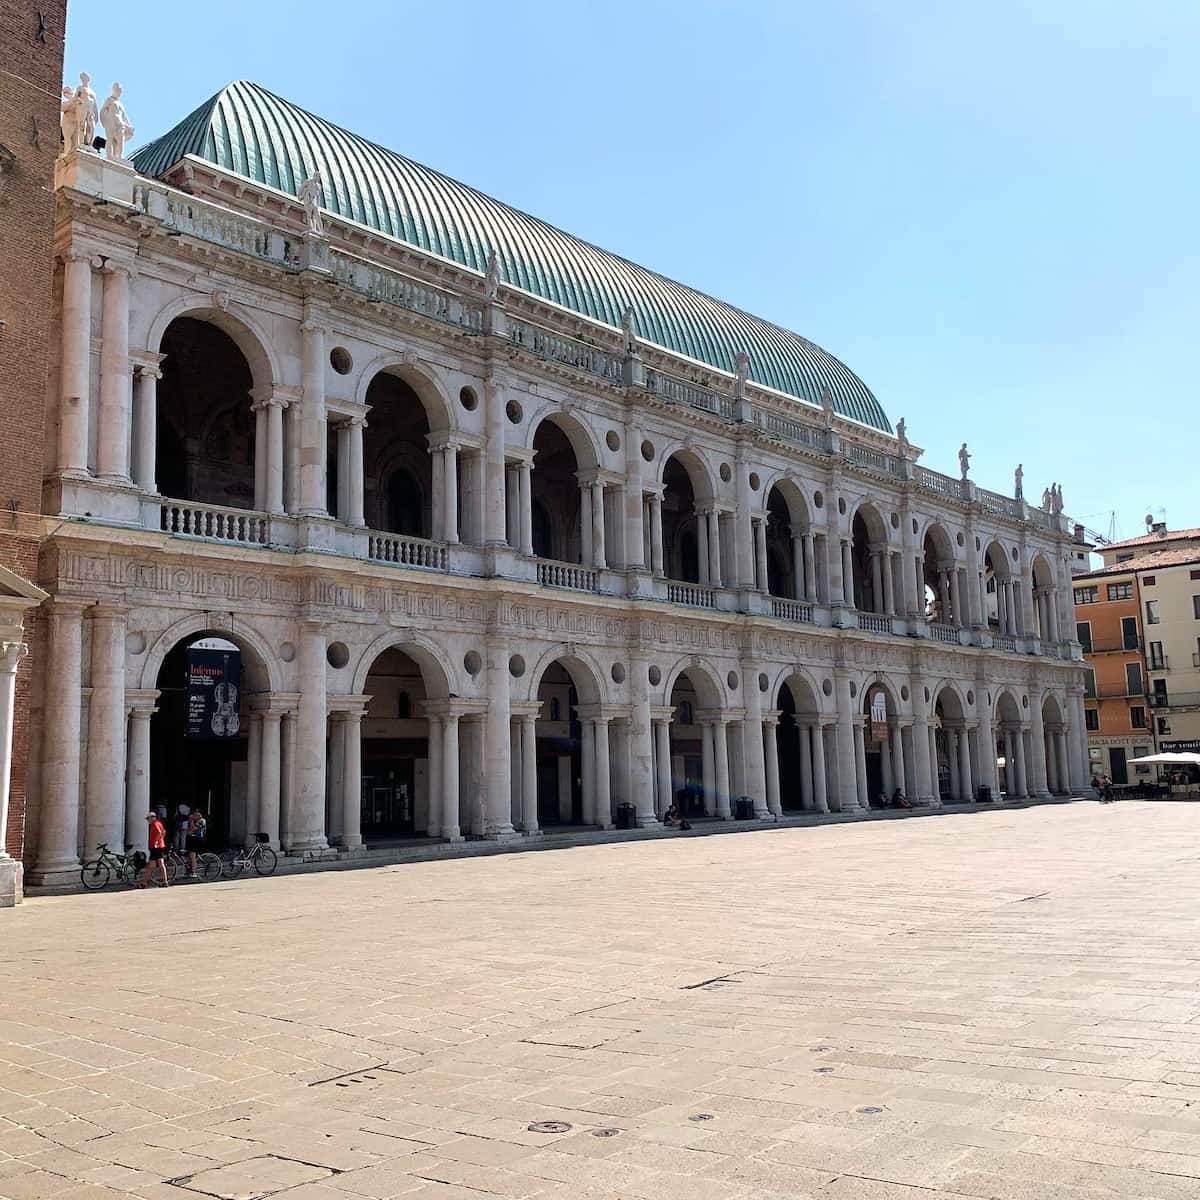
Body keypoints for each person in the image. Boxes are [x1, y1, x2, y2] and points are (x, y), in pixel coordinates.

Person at [139, 811, 169, 888]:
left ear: (152, 818)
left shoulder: (154, 824)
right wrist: (161, 840)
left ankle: (144, 883)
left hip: (155, 847)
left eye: (148, 818)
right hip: (160, 846)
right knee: (159, 864)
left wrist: (156, 842)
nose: (147, 820)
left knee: (151, 865)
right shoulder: (159, 823)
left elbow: (159, 832)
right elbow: (164, 832)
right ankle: (164, 881)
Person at [185, 809, 207, 877]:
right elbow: (189, 831)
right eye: (193, 814)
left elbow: (194, 829)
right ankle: (189, 870)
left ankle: (193, 872)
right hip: (193, 839)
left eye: (195, 815)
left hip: (198, 839)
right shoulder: (195, 821)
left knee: (192, 856)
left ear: (199, 815)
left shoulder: (202, 820)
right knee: (188, 855)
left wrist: (191, 821)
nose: (194, 816)